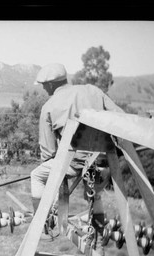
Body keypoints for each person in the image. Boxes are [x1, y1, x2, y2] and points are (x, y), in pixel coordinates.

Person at [31, 63, 124, 234]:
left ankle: (41, 222)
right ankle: (98, 232)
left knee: (36, 176)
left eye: (44, 85)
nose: (44, 88)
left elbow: (48, 152)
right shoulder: (93, 90)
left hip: (74, 164)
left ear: (51, 84)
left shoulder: (49, 107)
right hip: (105, 161)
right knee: (93, 193)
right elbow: (121, 118)